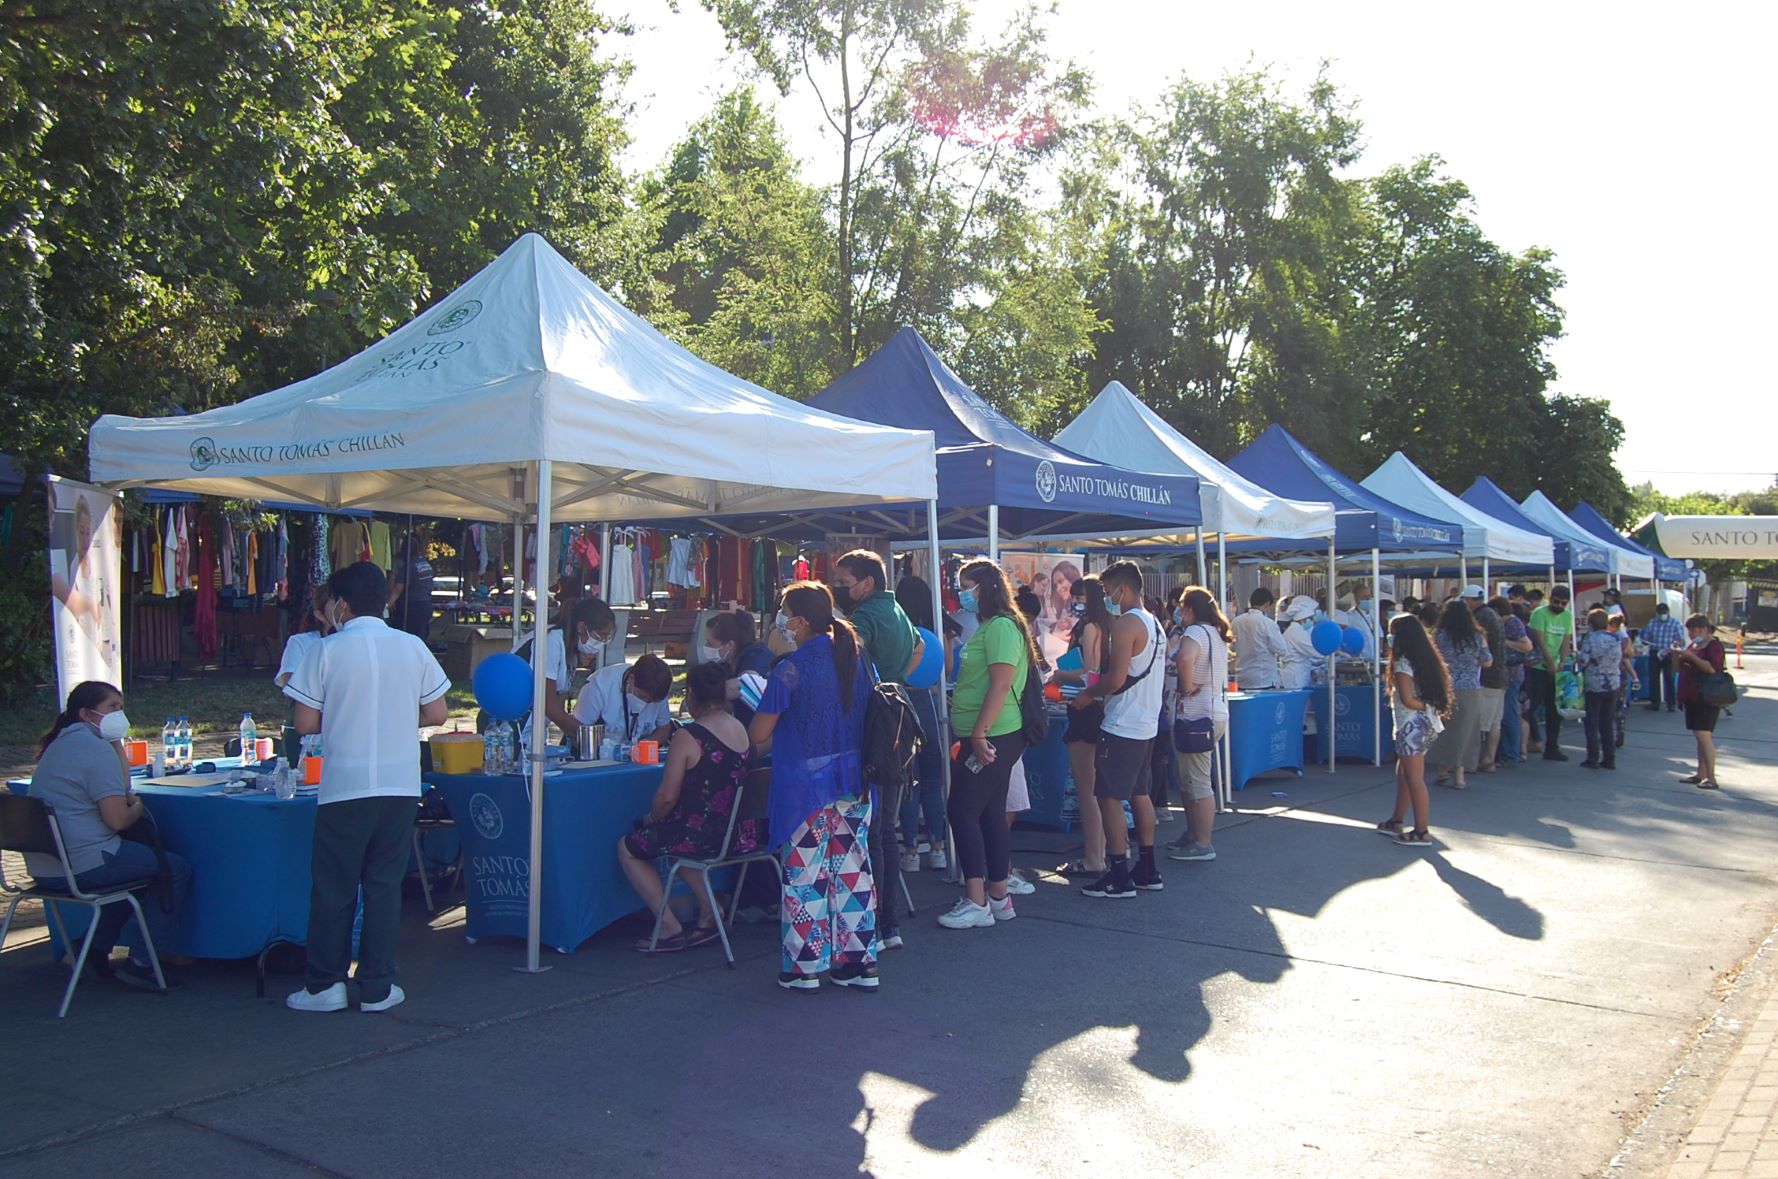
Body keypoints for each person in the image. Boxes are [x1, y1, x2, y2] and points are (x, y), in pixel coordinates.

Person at [284, 561, 450, 1013]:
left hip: (345, 785)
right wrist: (396, 716)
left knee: (335, 887)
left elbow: (305, 722)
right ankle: (377, 986)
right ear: (387, 600)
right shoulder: (412, 646)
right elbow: (437, 714)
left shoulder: (325, 651)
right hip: (399, 783)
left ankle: (325, 985)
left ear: (340, 604)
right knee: (383, 885)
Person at [750, 581, 879, 989]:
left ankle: (804, 967)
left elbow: (758, 733)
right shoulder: (857, 658)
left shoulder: (790, 669)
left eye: (784, 614)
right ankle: (857, 963)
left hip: (806, 788)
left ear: (800, 621)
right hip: (855, 782)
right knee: (854, 872)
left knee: (805, 877)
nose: (781, 623)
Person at [26, 681, 192, 993]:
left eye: (121, 706)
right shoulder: (91, 749)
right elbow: (117, 818)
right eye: (112, 708)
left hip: (47, 866)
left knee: (134, 876)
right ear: (86, 713)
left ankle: (92, 950)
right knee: (173, 869)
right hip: (84, 863)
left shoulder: (62, 743)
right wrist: (138, 810)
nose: (121, 714)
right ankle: (143, 961)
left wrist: (115, 743)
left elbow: (120, 783)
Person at [618, 662, 759, 952]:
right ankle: (710, 911)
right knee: (677, 846)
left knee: (628, 847)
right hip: (740, 834)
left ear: (692, 694)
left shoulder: (689, 736)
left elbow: (666, 798)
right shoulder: (742, 730)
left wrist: (650, 818)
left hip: (701, 836)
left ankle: (668, 926)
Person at [831, 549, 923, 950]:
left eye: (843, 582)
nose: (839, 589)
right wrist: (896, 678)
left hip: (875, 718)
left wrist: (873, 680)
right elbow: (920, 647)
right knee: (886, 825)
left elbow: (844, 653)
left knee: (872, 827)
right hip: (900, 709)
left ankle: (876, 921)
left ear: (867, 583)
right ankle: (890, 924)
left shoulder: (866, 615)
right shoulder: (897, 609)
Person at [937, 559, 1036, 928]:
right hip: (989, 732)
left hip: (993, 735)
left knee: (962, 810)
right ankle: (997, 896)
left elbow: (999, 683)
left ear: (983, 587)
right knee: (990, 813)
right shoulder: (994, 626)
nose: (962, 593)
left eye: (966, 585)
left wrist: (978, 733)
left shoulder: (1000, 627)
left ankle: (977, 899)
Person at [1070, 560, 1166, 899]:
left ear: (1123, 589)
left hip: (1123, 722)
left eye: (1110, 592)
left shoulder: (1128, 623)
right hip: (1146, 721)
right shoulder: (1155, 623)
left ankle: (1119, 873)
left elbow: (1115, 678)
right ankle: (1147, 866)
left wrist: (1088, 695)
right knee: (1140, 794)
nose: (1108, 598)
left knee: (1108, 796)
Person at [1049, 574, 1113, 877]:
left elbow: (1091, 672)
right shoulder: (1111, 624)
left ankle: (1093, 857)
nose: (1073, 602)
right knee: (1099, 789)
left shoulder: (1090, 627)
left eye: (1077, 596)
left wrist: (1061, 676)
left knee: (1087, 790)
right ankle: (1104, 852)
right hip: (1101, 710)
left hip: (1084, 709)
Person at [1377, 615, 1452, 848]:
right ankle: (1396, 820)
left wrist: (1429, 705)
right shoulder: (1423, 660)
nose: (1389, 637)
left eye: (1392, 632)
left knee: (1414, 779)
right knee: (1405, 774)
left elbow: (1408, 700)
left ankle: (1421, 831)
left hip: (1411, 725)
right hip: (1421, 725)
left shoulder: (1402, 665)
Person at [1166, 586, 1229, 864]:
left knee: (1199, 781)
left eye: (1182, 607)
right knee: (1189, 778)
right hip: (1211, 711)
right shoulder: (1215, 633)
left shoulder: (1194, 633)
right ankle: (1193, 834)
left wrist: (1186, 685)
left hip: (1196, 714)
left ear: (1190, 609)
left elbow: (1185, 657)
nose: (1180, 613)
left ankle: (1203, 841)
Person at [893, 574, 948, 875]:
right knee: (932, 780)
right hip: (929, 701)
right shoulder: (938, 631)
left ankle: (911, 849)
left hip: (901, 701)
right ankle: (938, 847)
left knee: (908, 780)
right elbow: (947, 669)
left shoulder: (898, 633)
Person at [518, 595, 618, 746]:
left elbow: (559, 705)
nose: (601, 643)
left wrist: (573, 733)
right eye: (600, 635)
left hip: (534, 733)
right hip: (513, 727)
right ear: (581, 627)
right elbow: (547, 705)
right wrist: (587, 734)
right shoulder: (551, 640)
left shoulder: (570, 650)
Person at [1427, 598, 1492, 789]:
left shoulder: (1438, 634)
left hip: (1444, 687)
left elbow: (1430, 658)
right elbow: (1487, 661)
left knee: (1443, 729)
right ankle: (1460, 775)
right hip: (1470, 688)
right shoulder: (1477, 636)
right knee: (1466, 732)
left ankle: (1442, 771)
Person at [572, 653, 673, 746]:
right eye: (641, 697)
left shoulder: (658, 691)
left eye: (651, 702)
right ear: (631, 679)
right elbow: (576, 730)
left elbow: (663, 728)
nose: (646, 703)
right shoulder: (600, 686)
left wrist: (644, 746)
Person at [1674, 614, 1727, 789]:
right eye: (1689, 630)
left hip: (1707, 696)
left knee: (1704, 736)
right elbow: (1678, 667)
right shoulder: (1694, 645)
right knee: (1699, 736)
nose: (1691, 633)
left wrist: (1691, 656)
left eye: (1694, 630)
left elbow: (1712, 669)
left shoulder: (1713, 646)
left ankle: (1712, 777)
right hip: (1692, 696)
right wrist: (1678, 654)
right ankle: (1701, 773)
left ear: (1704, 629)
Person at [700, 609, 774, 725]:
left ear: (730, 644)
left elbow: (745, 683)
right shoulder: (728, 663)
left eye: (710, 643)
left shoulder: (756, 655)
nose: (706, 647)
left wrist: (704, 696)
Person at [1527, 586, 1575, 761]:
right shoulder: (1539, 614)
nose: (1559, 606)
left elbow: (1566, 640)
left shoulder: (1567, 616)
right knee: (1531, 706)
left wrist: (1562, 661)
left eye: (1563, 603)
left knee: (1554, 709)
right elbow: (1539, 640)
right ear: (1550, 598)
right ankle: (1529, 740)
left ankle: (1552, 746)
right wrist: (1549, 661)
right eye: (1556, 602)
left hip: (1556, 669)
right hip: (1537, 667)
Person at [1577, 608, 1624, 770]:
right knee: (1606, 723)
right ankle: (1609, 758)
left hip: (1595, 683)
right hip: (1612, 682)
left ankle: (1593, 756)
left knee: (1591, 722)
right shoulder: (1616, 638)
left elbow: (1583, 661)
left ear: (1590, 624)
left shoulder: (1590, 638)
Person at [1467, 588, 1507, 773]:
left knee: (1479, 722)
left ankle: (1473, 762)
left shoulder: (1480, 617)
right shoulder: (1493, 614)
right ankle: (1489, 759)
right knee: (1494, 722)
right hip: (1500, 674)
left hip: (1487, 676)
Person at [1490, 596, 1534, 766]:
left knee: (1509, 714)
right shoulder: (1509, 622)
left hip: (1512, 674)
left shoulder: (1513, 623)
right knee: (1506, 714)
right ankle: (1507, 752)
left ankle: (1511, 754)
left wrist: (1504, 642)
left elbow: (1527, 646)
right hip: (1508, 673)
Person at [277, 585, 334, 690]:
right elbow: (290, 685)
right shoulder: (301, 642)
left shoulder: (358, 642)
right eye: (336, 604)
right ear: (320, 615)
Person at [387, 523, 436, 641]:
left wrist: (387, 605)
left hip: (412, 607)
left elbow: (398, 590)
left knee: (409, 638)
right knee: (421, 638)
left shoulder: (408, 567)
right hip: (427, 605)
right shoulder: (426, 564)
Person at [1232, 587, 1287, 691]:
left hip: (1242, 678)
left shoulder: (1236, 622)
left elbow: (1233, 648)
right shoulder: (1267, 623)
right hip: (1263, 679)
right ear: (1266, 604)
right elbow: (1282, 649)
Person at [1640, 603, 1684, 712]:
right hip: (1655, 652)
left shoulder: (1675, 623)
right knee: (1653, 678)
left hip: (1669, 653)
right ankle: (1655, 702)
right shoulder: (1652, 622)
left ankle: (1671, 704)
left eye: (1664, 612)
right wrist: (1645, 640)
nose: (1662, 615)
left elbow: (1681, 640)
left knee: (1669, 678)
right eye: (1660, 613)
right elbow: (1647, 637)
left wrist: (1674, 645)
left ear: (1668, 612)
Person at [1277, 595, 1320, 690]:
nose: (1312, 621)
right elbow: (1315, 651)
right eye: (1311, 618)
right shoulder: (1297, 632)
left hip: (1298, 675)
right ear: (1305, 618)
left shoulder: (1298, 630)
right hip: (1295, 678)